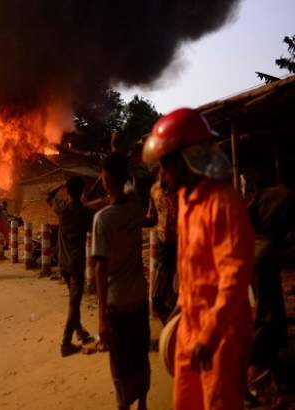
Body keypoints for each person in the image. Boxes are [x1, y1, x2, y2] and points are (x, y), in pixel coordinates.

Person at [142, 108, 254, 410]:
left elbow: (234, 276)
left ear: (186, 159)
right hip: (191, 322)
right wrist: (182, 305)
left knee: (218, 401)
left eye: (166, 164)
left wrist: (210, 333)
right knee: (187, 400)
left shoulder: (222, 202)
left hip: (221, 330)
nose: (162, 174)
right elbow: (192, 265)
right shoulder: (186, 200)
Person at [90, 153, 150, 410]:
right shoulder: (136, 205)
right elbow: (130, 185)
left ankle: (124, 405)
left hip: (117, 303)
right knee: (140, 354)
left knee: (120, 362)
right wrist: (119, 152)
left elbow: (101, 269)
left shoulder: (103, 219)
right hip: (138, 297)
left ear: (105, 180)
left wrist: (102, 317)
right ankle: (143, 403)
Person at [247, 184, 294, 386]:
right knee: (269, 315)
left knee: (271, 312)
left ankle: (276, 373)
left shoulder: (274, 192)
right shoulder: (288, 199)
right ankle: (250, 370)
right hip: (264, 249)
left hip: (257, 244)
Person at [47, 176, 94, 357]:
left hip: (63, 262)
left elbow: (49, 196)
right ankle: (66, 343)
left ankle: (80, 331)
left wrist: (61, 184)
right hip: (76, 264)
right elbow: (91, 226)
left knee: (73, 300)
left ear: (67, 191)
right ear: (81, 192)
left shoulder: (63, 209)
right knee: (74, 303)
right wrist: (85, 204)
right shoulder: (83, 212)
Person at [143, 169, 178, 323]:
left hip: (182, 244)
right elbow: (152, 217)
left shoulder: (182, 190)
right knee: (158, 297)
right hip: (164, 245)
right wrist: (134, 218)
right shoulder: (155, 191)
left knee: (176, 292)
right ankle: (170, 331)